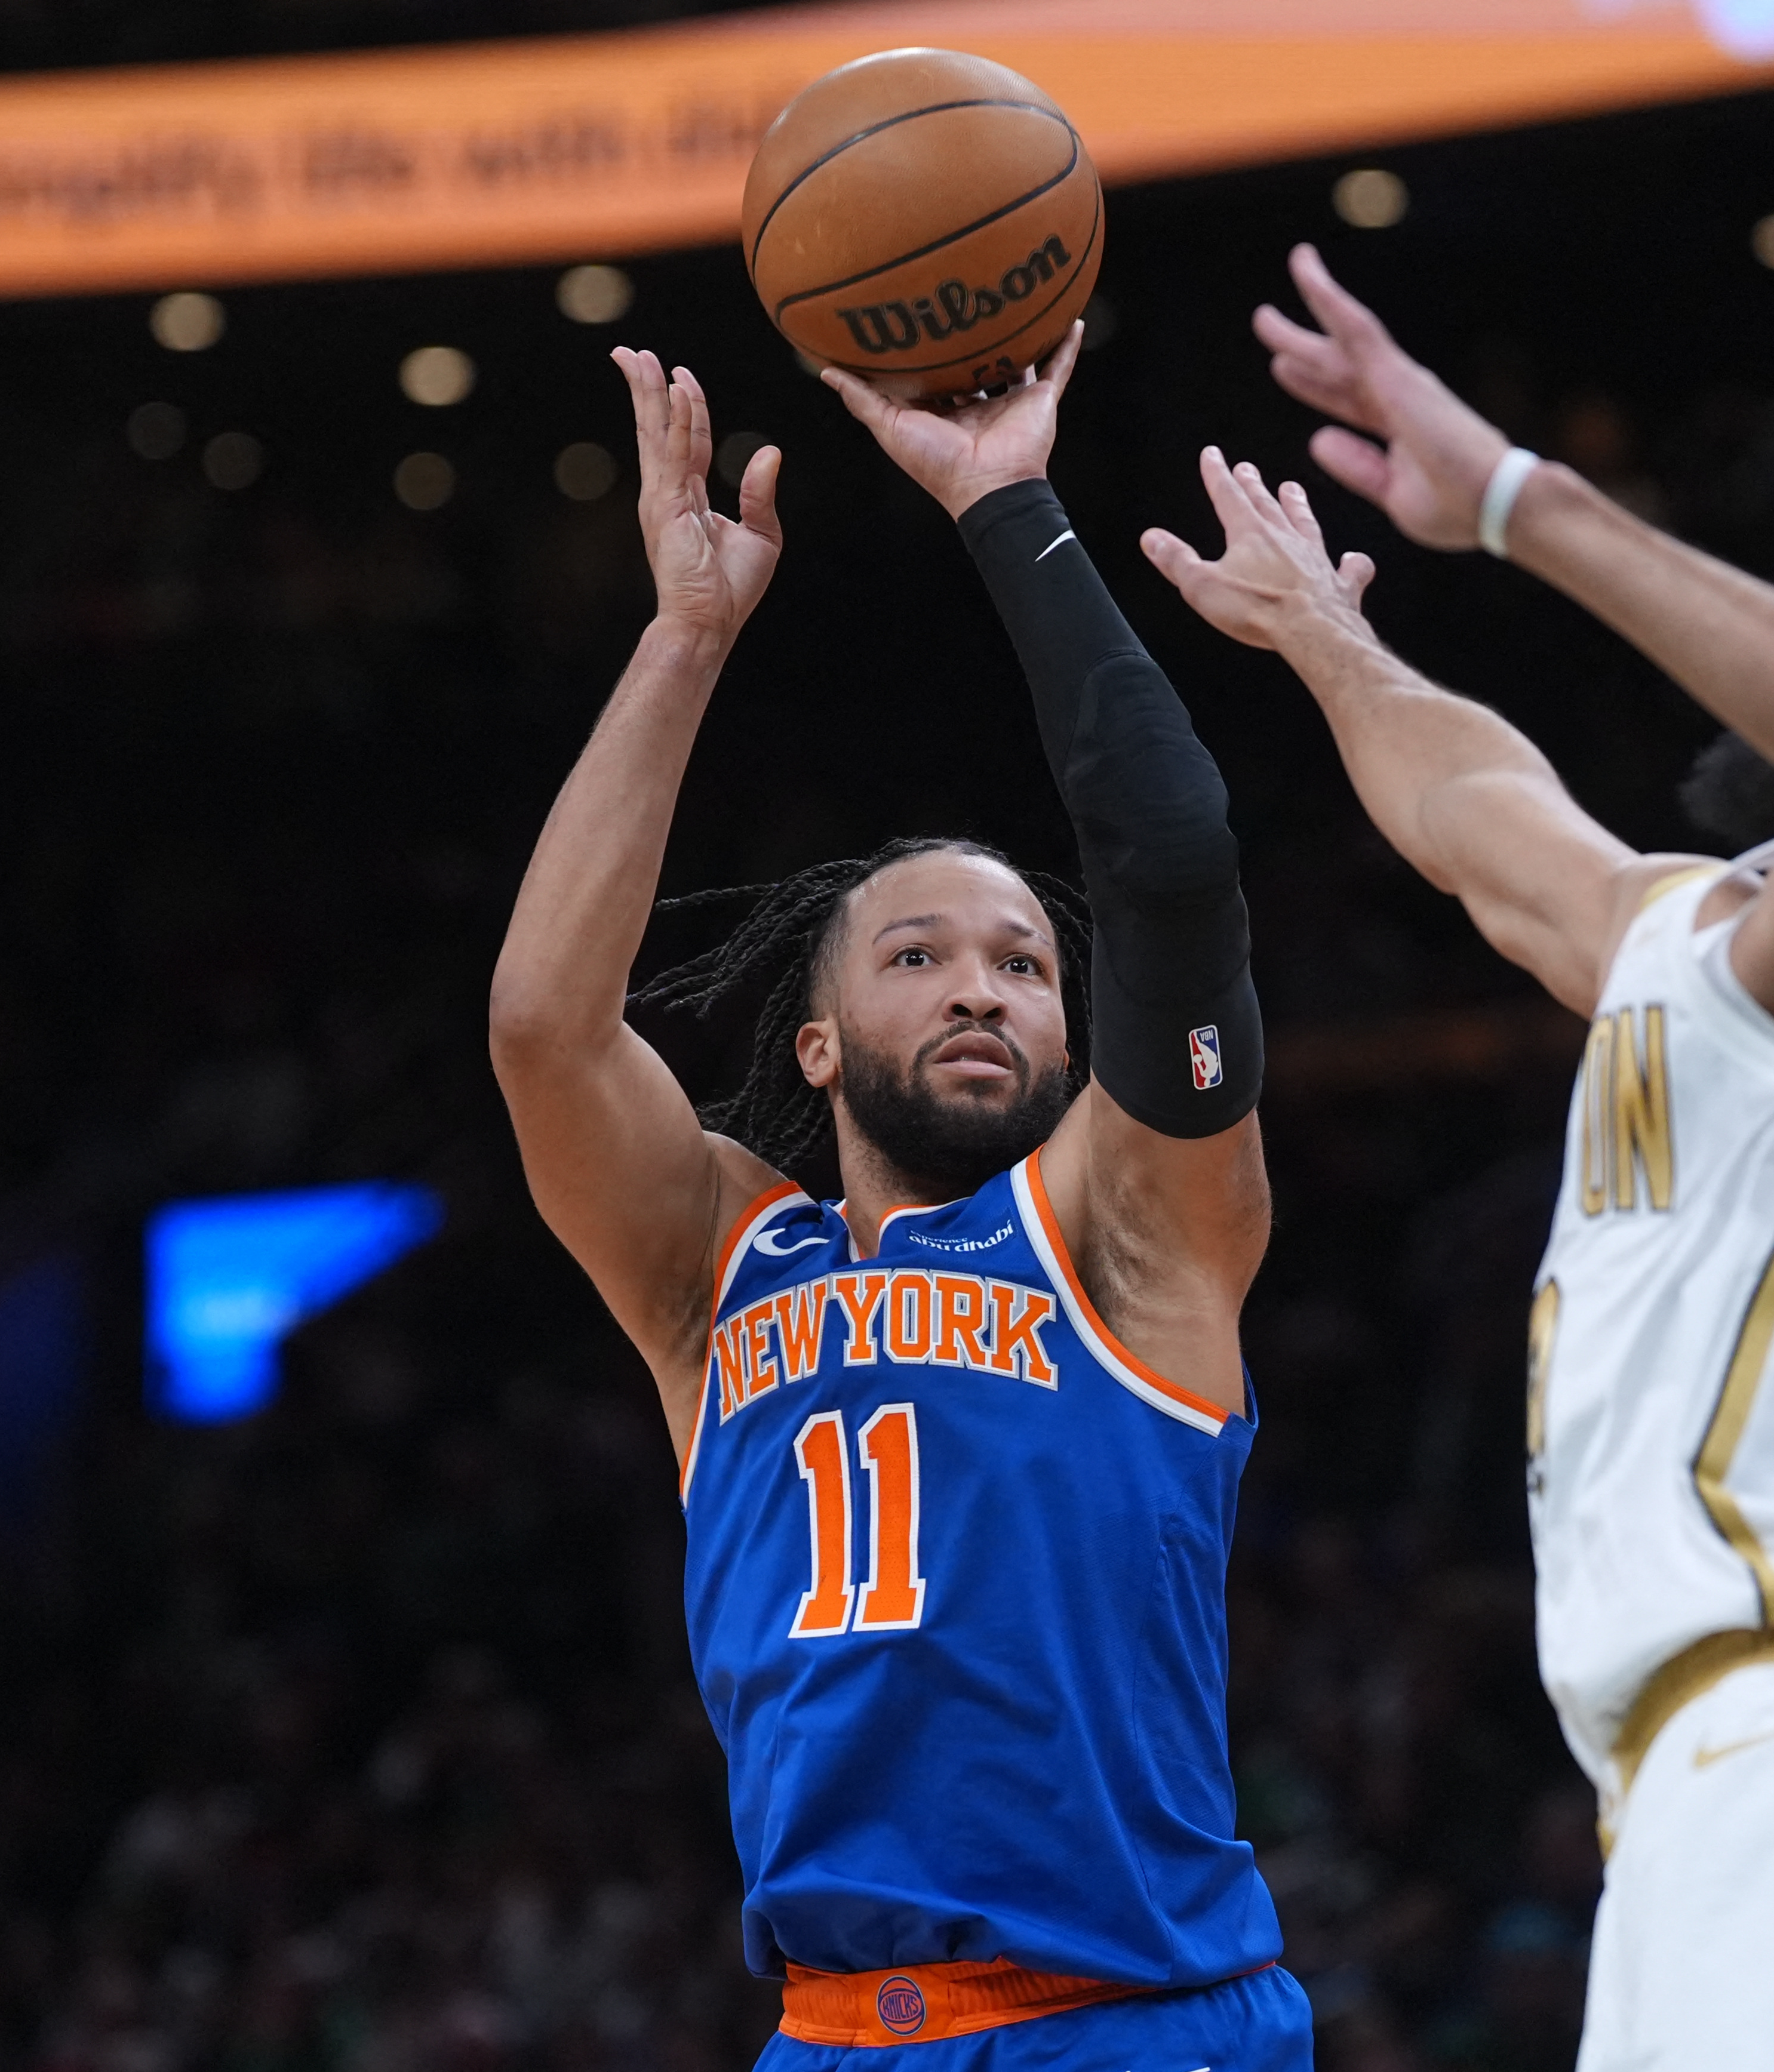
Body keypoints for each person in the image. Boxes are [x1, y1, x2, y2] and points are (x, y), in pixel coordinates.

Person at [1144, 244, 1774, 2071]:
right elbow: (1485, 824)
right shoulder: (1704, 941)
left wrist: (1524, 503)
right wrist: (1327, 637)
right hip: (1721, 1792)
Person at [487, 333, 1308, 2068]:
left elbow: (1166, 859)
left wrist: (1008, 505)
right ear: (814, 1037)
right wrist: (683, 638)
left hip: (1137, 2022)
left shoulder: (1132, 1235)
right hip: (834, 2032)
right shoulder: (718, 1267)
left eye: (1022, 964)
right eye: (919, 954)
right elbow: (544, 1030)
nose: (981, 989)